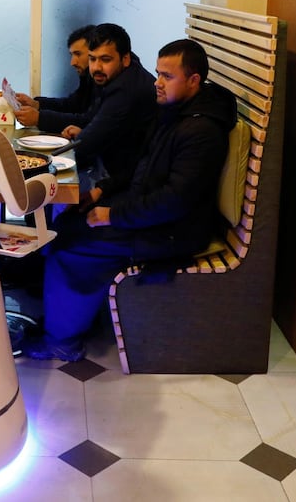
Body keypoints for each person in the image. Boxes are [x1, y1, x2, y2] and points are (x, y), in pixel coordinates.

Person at [23, 38, 237, 361]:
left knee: (71, 245)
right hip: (151, 215)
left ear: (194, 81)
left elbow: (173, 202)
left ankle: (61, 341)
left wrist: (112, 215)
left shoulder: (201, 132)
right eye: (158, 73)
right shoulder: (175, 114)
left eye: (168, 76)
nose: (158, 83)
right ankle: (68, 319)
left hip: (173, 232)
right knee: (66, 223)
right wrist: (101, 191)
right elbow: (142, 166)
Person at [57, 23, 157, 191]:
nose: (96, 67)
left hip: (128, 184)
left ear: (125, 59)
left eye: (105, 59)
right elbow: (92, 119)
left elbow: (87, 145)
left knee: (49, 198)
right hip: (115, 171)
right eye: (92, 58)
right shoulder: (116, 77)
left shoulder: (126, 90)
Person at [14, 24, 96, 133]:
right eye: (71, 55)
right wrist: (36, 104)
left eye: (78, 54)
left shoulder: (108, 85)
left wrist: (39, 118)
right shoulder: (88, 78)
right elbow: (71, 105)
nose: (72, 62)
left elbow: (88, 121)